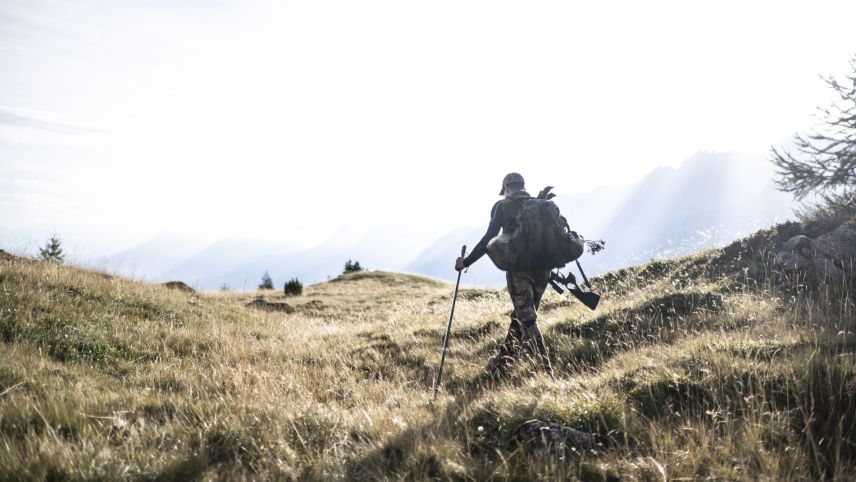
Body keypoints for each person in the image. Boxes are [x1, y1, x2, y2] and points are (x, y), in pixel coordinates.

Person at [455, 173, 554, 378]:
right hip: (544, 270)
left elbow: (488, 240)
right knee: (519, 317)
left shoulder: (503, 207)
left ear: (507, 189)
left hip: (519, 271)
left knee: (527, 320)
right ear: (523, 186)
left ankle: (547, 372)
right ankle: (501, 364)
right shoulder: (537, 204)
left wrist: (466, 262)